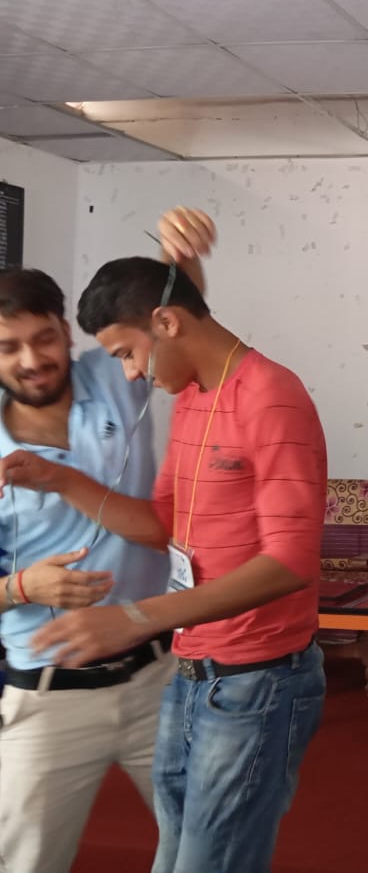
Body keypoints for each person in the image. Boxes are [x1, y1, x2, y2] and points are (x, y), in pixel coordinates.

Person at [1, 241, 328, 873]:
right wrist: (59, 480)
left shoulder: (271, 396)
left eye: (126, 353)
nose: (127, 374)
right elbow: (163, 526)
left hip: (251, 673)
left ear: (166, 323)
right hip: (190, 665)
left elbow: (291, 562)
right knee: (177, 854)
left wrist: (133, 618)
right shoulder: (194, 395)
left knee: (212, 859)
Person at [0, 208, 211, 873]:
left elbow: (174, 321)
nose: (32, 360)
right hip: (47, 695)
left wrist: (184, 257)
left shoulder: (111, 374)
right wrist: (22, 586)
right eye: (8, 347)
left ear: (67, 332)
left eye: (44, 338)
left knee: (210, 846)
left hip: (158, 675)